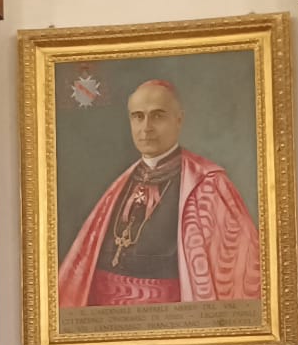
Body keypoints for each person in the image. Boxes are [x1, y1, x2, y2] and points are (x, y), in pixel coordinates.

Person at [57, 80, 262, 308]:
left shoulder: (209, 185)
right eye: (138, 117)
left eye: (157, 116)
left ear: (178, 120)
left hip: (169, 318)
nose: (146, 128)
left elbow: (239, 277)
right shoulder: (120, 185)